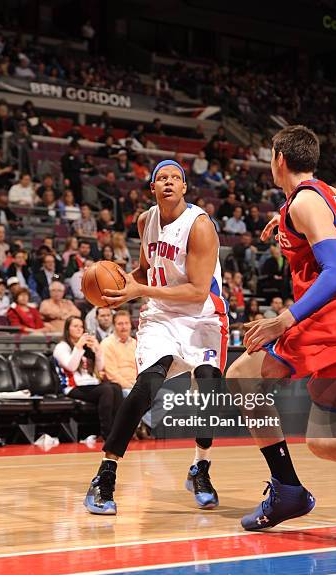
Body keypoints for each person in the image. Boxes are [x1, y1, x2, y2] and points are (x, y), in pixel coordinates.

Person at [226, 125, 336, 532]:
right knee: (325, 439)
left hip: (332, 318)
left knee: (240, 378)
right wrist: (292, 217)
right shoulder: (314, 197)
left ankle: (287, 489)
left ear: (279, 159)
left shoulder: (306, 202)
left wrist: (282, 321)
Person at [84, 159, 228, 515]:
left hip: (202, 315)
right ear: (152, 188)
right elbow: (148, 270)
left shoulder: (200, 227)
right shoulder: (146, 220)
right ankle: (105, 475)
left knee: (209, 387)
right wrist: (118, 285)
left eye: (175, 178)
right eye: (161, 178)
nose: (168, 183)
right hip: (162, 315)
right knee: (146, 385)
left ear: (184, 188)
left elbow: (196, 290)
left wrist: (139, 289)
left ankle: (201, 468)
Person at [53, 317, 123, 441]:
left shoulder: (86, 347)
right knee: (106, 390)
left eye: (81, 326)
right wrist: (79, 347)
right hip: (72, 387)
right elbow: (71, 366)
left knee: (116, 387)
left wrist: (97, 350)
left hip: (90, 384)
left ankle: (117, 432)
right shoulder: (61, 347)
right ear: (67, 329)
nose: (79, 329)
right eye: (75, 326)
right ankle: (107, 435)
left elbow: (100, 367)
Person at [100, 310, 137, 396]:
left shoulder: (136, 343)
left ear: (131, 325)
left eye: (126, 323)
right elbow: (112, 374)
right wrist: (132, 387)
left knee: (165, 395)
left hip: (138, 385)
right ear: (113, 326)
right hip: (121, 388)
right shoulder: (107, 344)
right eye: (120, 324)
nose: (124, 327)